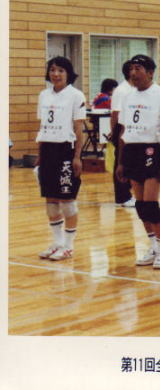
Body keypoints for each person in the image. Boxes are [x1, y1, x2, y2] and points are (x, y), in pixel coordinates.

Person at [115, 55, 160, 269]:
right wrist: (120, 162)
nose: (133, 73)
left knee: (151, 204)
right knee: (140, 205)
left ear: (150, 72)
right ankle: (153, 247)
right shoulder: (127, 97)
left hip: (152, 150)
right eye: (131, 69)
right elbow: (123, 131)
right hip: (132, 150)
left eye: (138, 68)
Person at [36, 57, 86, 261]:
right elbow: (42, 126)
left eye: (60, 70)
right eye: (52, 70)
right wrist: (40, 155)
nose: (55, 74)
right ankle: (57, 242)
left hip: (66, 149)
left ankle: (68, 246)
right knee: (50, 200)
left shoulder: (76, 95)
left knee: (67, 201)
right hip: (48, 149)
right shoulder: (44, 95)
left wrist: (77, 157)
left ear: (68, 73)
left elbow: (78, 129)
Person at [109, 62, 135, 207]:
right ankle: (122, 197)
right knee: (121, 163)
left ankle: (128, 193)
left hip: (132, 127)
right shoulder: (122, 90)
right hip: (121, 128)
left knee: (130, 162)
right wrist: (114, 133)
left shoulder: (134, 89)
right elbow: (115, 113)